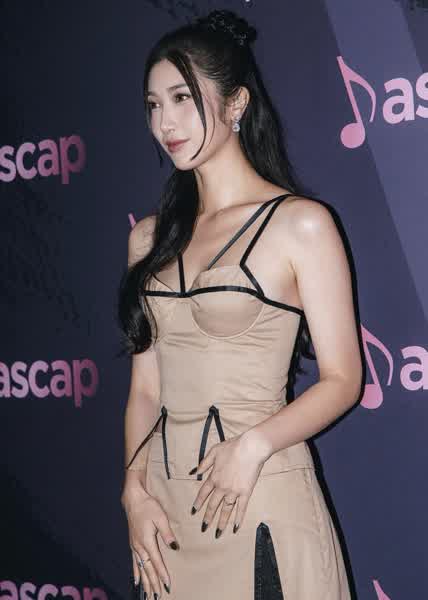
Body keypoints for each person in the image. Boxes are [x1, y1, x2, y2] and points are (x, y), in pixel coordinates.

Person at [117, 9, 362, 600]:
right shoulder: (148, 239)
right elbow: (146, 388)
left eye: (182, 98)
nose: (165, 122)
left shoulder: (300, 224)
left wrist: (252, 447)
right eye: (153, 105)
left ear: (236, 103)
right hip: (166, 512)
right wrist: (133, 491)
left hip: (259, 491)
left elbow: (343, 380)